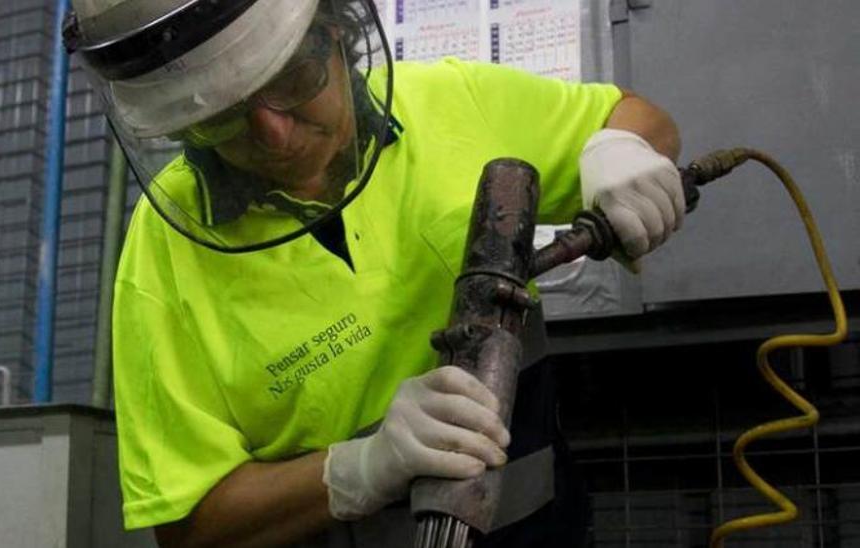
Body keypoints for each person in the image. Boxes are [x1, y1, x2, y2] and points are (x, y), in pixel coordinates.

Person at [65, 0, 683, 546]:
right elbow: (188, 525)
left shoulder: (452, 103)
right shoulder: (162, 252)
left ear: (335, 30)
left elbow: (635, 116)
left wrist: (618, 150)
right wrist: (357, 469)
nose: (274, 133)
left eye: (292, 79)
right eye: (220, 116)